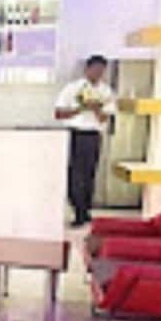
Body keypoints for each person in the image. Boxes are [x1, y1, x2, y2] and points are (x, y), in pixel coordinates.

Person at [54, 54, 116, 228]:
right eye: (95, 69)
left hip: (93, 136)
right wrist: (81, 108)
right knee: (74, 175)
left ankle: (85, 210)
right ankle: (77, 210)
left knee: (89, 174)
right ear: (87, 69)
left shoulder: (106, 91)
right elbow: (58, 113)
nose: (98, 74)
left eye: (102, 71)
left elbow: (105, 118)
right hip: (75, 134)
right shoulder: (72, 88)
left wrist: (96, 108)